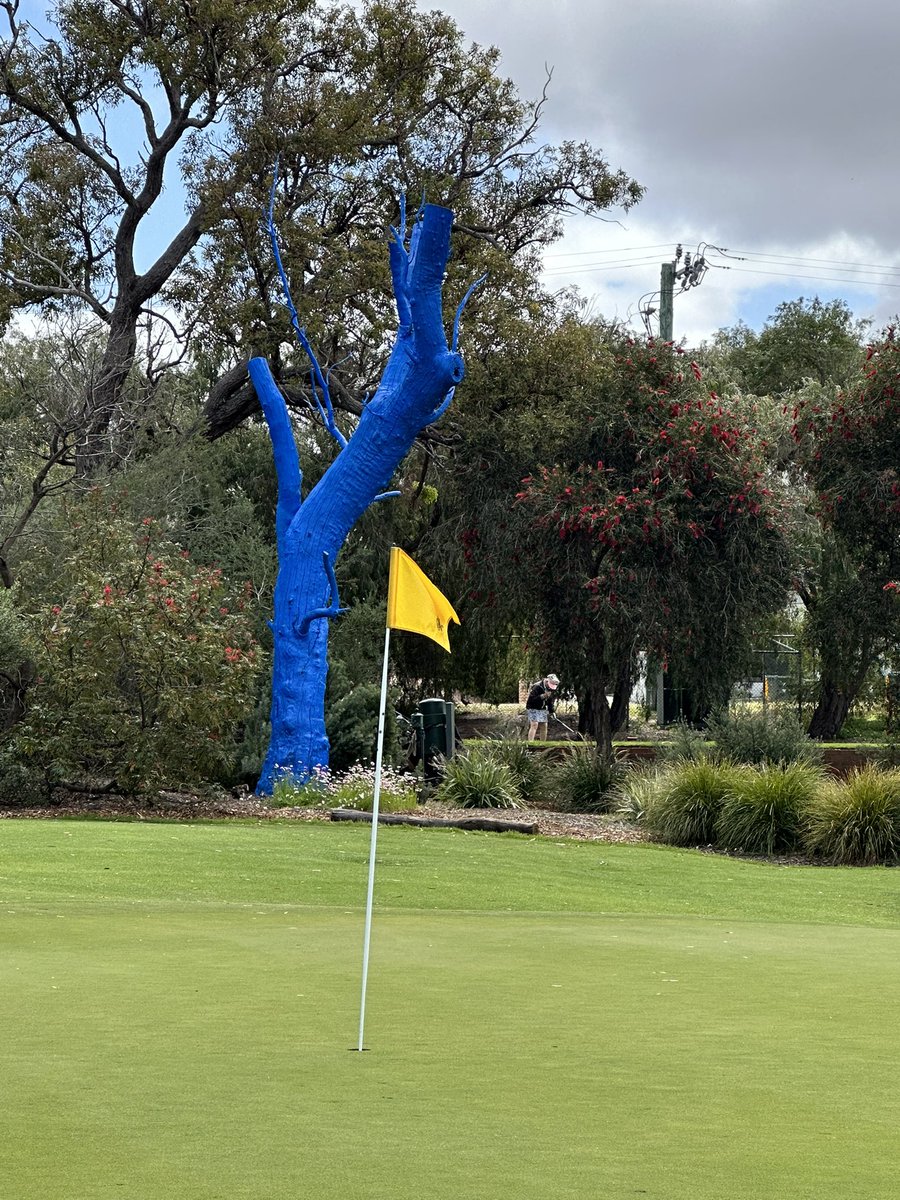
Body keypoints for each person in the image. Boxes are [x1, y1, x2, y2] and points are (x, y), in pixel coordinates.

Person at [525, 674, 559, 741]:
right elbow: (531, 700)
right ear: (547, 681)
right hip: (532, 707)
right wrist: (542, 696)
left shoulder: (549, 688)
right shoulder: (537, 687)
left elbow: (549, 701)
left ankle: (543, 743)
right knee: (534, 724)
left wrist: (552, 711)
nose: (550, 688)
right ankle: (530, 743)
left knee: (544, 725)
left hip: (542, 708)